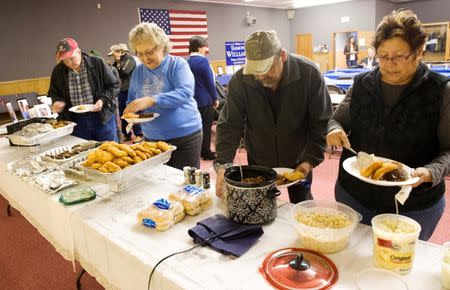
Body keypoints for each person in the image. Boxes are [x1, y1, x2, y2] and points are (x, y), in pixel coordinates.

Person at [326, 10, 450, 241]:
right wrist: (334, 129)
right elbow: (337, 119)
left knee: (398, 264)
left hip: (414, 206)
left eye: (398, 56)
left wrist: (430, 172)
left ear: (419, 51)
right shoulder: (362, 83)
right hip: (354, 196)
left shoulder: (440, 91)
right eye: (382, 56)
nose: (389, 64)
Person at [214, 30, 332, 203]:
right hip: (258, 158)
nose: (261, 76)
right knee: (259, 206)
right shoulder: (241, 80)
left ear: (282, 55)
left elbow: (321, 122)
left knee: (302, 205)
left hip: (300, 157)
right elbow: (230, 125)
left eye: (267, 68)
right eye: (256, 70)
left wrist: (310, 160)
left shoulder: (309, 74)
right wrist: (224, 164)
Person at [124, 23, 202, 170]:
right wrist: (132, 112)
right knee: (159, 182)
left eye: (150, 51)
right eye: (140, 53)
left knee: (185, 184)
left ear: (162, 46)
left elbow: (185, 92)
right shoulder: (138, 72)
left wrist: (152, 100)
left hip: (185, 136)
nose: (145, 58)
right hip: (152, 138)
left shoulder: (177, 65)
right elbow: (132, 100)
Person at [48, 38, 120, 142]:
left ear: (78, 51)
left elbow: (114, 85)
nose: (69, 63)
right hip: (76, 121)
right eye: (65, 60)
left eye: (72, 58)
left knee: (109, 150)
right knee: (84, 153)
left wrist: (102, 100)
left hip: (101, 118)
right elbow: (54, 93)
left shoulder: (97, 63)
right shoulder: (58, 71)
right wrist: (57, 101)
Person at [187, 36, 219, 160]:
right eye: (205, 46)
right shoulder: (203, 61)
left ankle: (198, 150)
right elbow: (209, 82)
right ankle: (206, 152)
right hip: (205, 100)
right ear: (200, 48)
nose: (207, 49)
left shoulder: (188, 61)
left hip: (193, 100)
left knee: (196, 127)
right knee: (206, 127)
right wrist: (214, 98)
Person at [108, 44, 143, 143]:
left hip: (131, 90)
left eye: (114, 54)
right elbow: (113, 74)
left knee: (133, 111)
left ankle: (139, 134)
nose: (113, 57)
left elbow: (124, 72)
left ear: (119, 52)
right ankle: (126, 134)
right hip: (121, 90)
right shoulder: (117, 62)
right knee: (123, 113)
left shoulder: (129, 59)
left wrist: (118, 64)